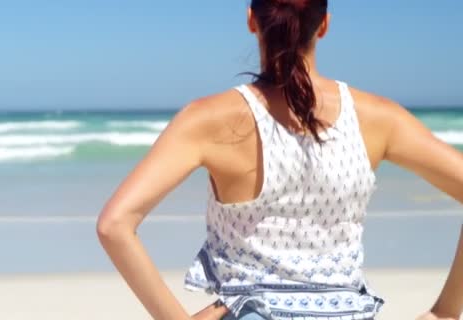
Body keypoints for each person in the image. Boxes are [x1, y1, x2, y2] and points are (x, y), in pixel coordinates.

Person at [96, 0, 463, 319]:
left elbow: (114, 225)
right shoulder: (379, 118)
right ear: (324, 25)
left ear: (252, 21)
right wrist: (447, 309)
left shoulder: (206, 119)